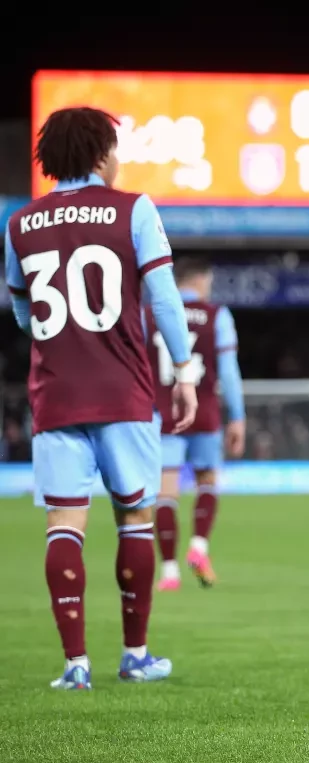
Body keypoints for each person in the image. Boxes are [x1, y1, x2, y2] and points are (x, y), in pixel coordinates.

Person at [3, 107, 198, 689]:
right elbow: (164, 300)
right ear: (98, 154)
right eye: (115, 148)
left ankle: (75, 665)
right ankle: (135, 655)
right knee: (135, 520)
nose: (119, 159)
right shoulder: (133, 209)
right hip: (124, 390)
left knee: (64, 526)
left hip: (56, 396)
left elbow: (22, 312)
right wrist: (184, 368)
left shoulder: (20, 222)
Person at [149, 257, 246, 591]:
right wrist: (237, 417)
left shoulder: (151, 315)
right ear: (202, 279)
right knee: (207, 481)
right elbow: (229, 372)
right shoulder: (217, 315)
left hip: (163, 414)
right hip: (204, 411)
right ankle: (199, 547)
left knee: (165, 493)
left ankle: (170, 572)